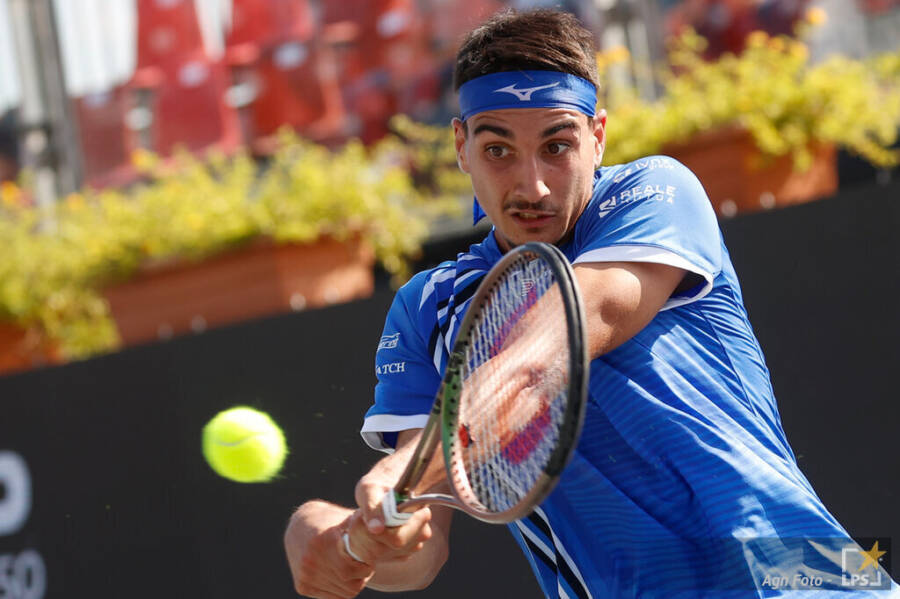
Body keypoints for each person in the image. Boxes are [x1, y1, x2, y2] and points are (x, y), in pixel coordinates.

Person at [284, 9, 897, 598]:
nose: (533, 186)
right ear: (461, 146)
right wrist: (353, 544)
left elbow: (549, 350)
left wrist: (407, 472)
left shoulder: (655, 192)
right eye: (498, 150)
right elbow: (421, 548)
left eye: (557, 146)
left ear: (597, 137)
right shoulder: (426, 307)